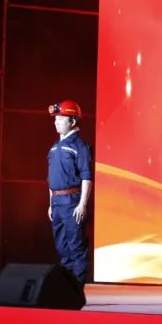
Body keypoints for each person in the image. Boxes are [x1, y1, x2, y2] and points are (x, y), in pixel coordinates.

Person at [47, 100, 94, 283]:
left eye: (60, 119)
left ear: (72, 121)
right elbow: (51, 179)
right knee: (62, 247)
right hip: (57, 203)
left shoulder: (80, 147)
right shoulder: (54, 148)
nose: (56, 122)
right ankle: (66, 288)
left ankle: (77, 289)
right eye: (55, 119)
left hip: (71, 202)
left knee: (76, 247)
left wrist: (82, 204)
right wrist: (50, 204)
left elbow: (86, 177)